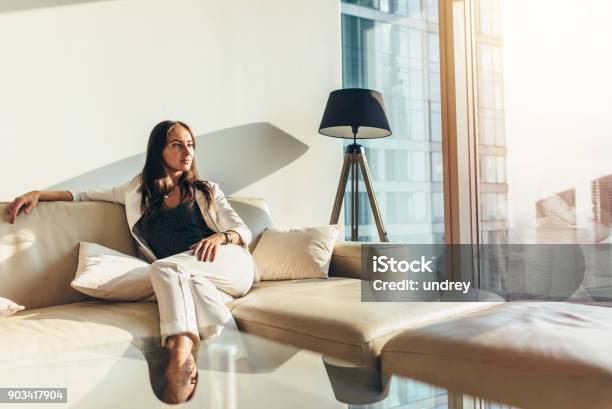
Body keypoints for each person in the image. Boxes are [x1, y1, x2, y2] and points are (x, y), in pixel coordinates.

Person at [6, 120, 256, 404]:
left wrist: (221, 238)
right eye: (177, 144)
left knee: (163, 267)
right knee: (192, 286)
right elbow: (83, 194)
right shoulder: (135, 192)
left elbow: (243, 231)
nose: (187, 152)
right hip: (189, 279)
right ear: (158, 150)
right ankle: (239, 366)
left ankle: (179, 346)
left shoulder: (207, 190)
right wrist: (37, 193)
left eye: (190, 145)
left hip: (227, 263)